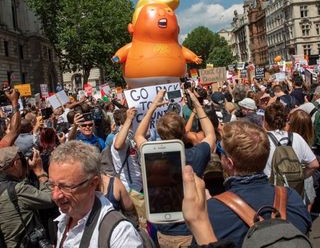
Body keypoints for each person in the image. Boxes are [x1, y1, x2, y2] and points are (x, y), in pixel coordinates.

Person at [206, 120, 312, 246]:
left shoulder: (213, 211)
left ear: (229, 163)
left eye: (220, 151)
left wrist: (205, 211)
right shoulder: (293, 198)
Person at [135, 89, 215, 248]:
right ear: (184, 132)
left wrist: (153, 106)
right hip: (191, 229)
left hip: (164, 232)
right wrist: (197, 104)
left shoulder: (151, 155)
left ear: (160, 133)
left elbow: (138, 135)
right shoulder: (196, 155)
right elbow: (211, 134)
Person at [48, 140, 143, 247]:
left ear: (93, 183)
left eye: (65, 187)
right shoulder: (64, 218)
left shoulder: (120, 235)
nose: (55, 196)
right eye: (52, 185)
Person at [0, 146, 54, 247]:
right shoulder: (19, 190)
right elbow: (52, 198)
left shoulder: (7, 187)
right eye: (20, 159)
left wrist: (25, 170)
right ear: (15, 163)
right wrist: (40, 171)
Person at [263, 102, 318, 179]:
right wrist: (299, 178)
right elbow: (314, 165)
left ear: (265, 122)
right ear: (285, 121)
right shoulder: (297, 137)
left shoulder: (262, 140)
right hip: (294, 188)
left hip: (272, 187)